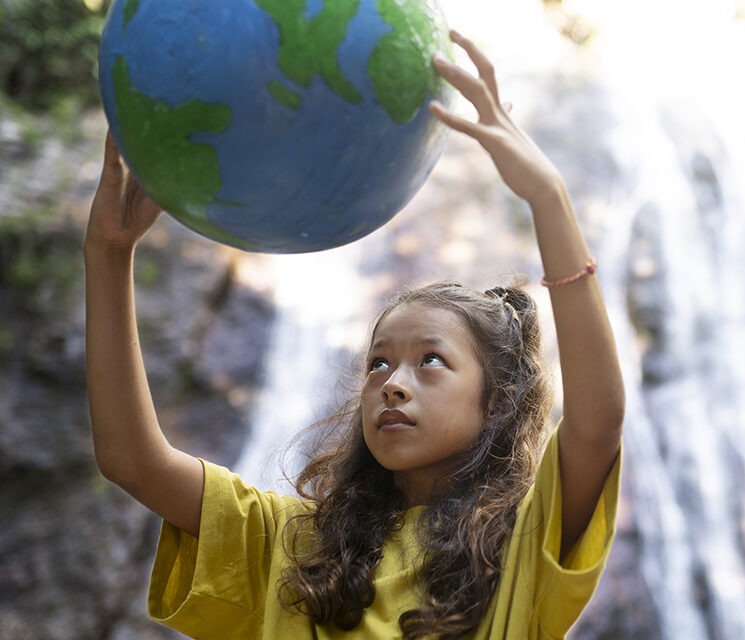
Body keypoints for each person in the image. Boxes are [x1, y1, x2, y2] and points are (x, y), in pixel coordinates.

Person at [85, 30, 624, 639]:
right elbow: (130, 460)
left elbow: (596, 422)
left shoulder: (525, 543)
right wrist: (109, 252)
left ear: (496, 399)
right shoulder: (293, 548)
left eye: (431, 362)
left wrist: (547, 197)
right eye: (377, 364)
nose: (392, 384)